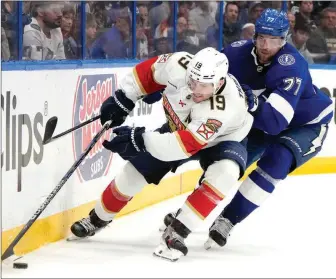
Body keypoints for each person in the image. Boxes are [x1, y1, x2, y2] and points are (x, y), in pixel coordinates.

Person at [163, 9, 333, 250]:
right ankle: (189, 211)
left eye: (274, 40)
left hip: (306, 124)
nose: (266, 45)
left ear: (284, 39)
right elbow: (204, 78)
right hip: (260, 118)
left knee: (277, 161)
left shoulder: (292, 65)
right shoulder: (235, 53)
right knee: (229, 163)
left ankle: (227, 221)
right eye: (262, 37)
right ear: (254, 36)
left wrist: (249, 100)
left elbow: (275, 122)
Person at [69, 47, 254, 261]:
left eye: (204, 86)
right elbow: (147, 73)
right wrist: (124, 98)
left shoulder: (222, 109)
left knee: (226, 173)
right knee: (133, 174)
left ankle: (178, 232)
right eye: (192, 82)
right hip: (181, 130)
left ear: (220, 82)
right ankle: (97, 218)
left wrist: (139, 139)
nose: (195, 89)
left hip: (224, 139)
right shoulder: (179, 64)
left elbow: (181, 147)